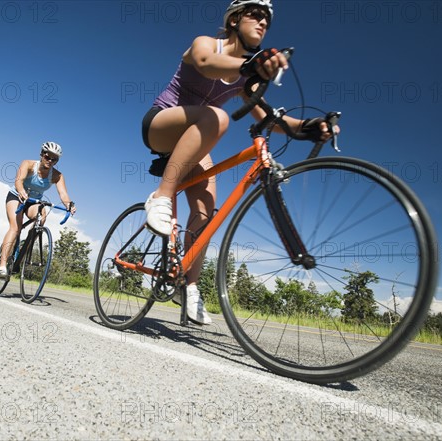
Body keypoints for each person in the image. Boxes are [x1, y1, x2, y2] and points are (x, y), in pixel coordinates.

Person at [141, 0, 338, 325]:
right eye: (256, 15)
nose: (263, 23)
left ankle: (188, 286)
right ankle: (162, 195)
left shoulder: (248, 76)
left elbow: (271, 117)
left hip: (196, 140)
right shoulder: (207, 44)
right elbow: (206, 64)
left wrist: (307, 127)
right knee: (218, 118)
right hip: (161, 125)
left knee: (205, 213)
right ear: (234, 19)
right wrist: (251, 65)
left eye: (268, 21)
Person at [0, 141, 76, 279]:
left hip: (34, 201)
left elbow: (63, 194)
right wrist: (21, 191)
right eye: (47, 156)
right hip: (17, 197)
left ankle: (23, 252)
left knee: (41, 217)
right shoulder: (29, 164)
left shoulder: (57, 175)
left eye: (54, 159)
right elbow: (18, 181)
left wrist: (69, 204)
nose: (50, 160)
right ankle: (2, 266)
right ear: (41, 154)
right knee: (15, 228)